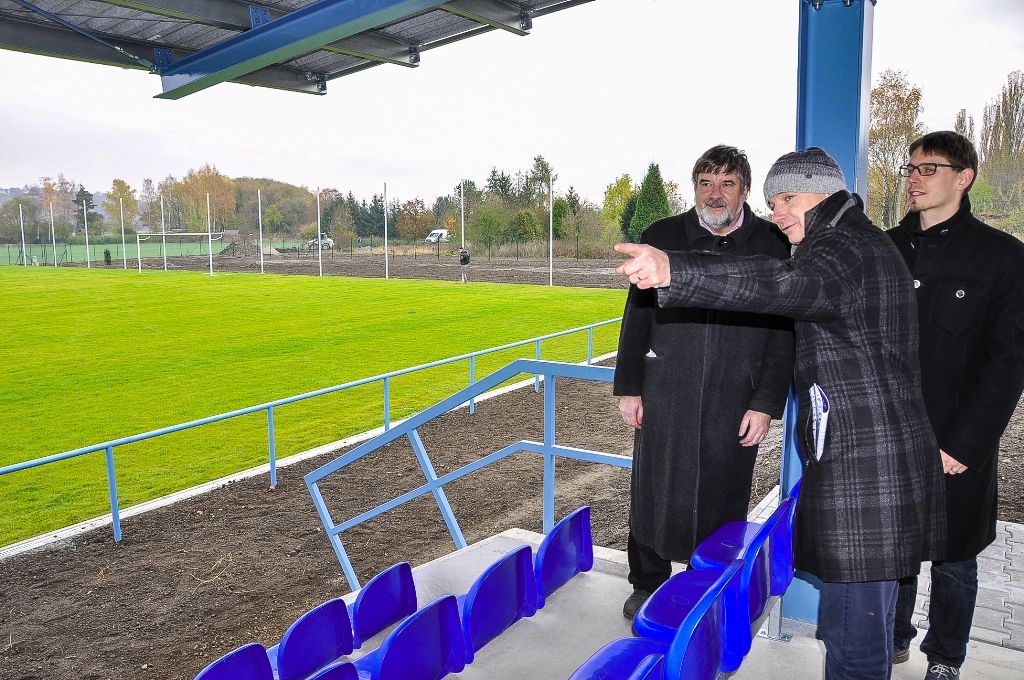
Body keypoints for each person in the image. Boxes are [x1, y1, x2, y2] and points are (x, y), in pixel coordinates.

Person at [615, 147, 946, 680]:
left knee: (855, 644)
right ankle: (651, 582)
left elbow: (779, 288)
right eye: (774, 201)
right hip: (866, 461)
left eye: (787, 197)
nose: (780, 212)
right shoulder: (853, 239)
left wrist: (675, 269)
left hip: (868, 473)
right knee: (848, 631)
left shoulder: (840, 247)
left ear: (822, 191)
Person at [614, 145, 793, 619]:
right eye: (705, 183)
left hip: (737, 396)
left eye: (727, 183)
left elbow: (785, 331)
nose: (715, 194)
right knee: (652, 487)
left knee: (724, 494)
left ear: (745, 190)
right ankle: (647, 582)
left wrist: (766, 400)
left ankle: (707, 585)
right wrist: (630, 385)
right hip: (665, 388)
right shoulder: (663, 236)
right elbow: (637, 316)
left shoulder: (773, 244)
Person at [887, 131, 1024, 679]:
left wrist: (966, 442)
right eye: (911, 169)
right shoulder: (887, 248)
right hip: (889, 434)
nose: (915, 179)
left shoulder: (1003, 257)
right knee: (891, 550)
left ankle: (945, 658)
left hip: (955, 440)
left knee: (954, 558)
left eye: (929, 169)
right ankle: (892, 636)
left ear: (963, 178)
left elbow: (1008, 360)